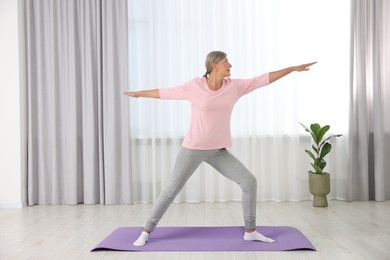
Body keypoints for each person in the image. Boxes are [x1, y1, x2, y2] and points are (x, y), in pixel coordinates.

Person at [124, 51, 316, 246]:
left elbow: (262, 79)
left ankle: (250, 231)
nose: (230, 65)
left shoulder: (234, 87)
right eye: (226, 62)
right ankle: (146, 232)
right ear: (214, 65)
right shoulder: (194, 86)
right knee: (170, 191)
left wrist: (291, 69)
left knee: (249, 182)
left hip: (217, 150)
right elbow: (165, 92)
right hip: (193, 149)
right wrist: (140, 93)